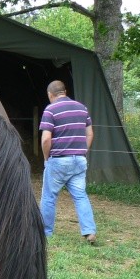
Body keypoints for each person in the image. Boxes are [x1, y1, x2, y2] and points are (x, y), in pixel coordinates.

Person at [38, 80, 97, 244]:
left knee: (49, 197)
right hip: (79, 160)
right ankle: (89, 231)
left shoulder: (50, 109)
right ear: (65, 91)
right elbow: (90, 133)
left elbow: (46, 139)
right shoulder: (82, 108)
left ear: (51, 95)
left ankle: (46, 232)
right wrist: (83, 152)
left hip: (58, 160)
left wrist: (46, 158)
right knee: (80, 196)